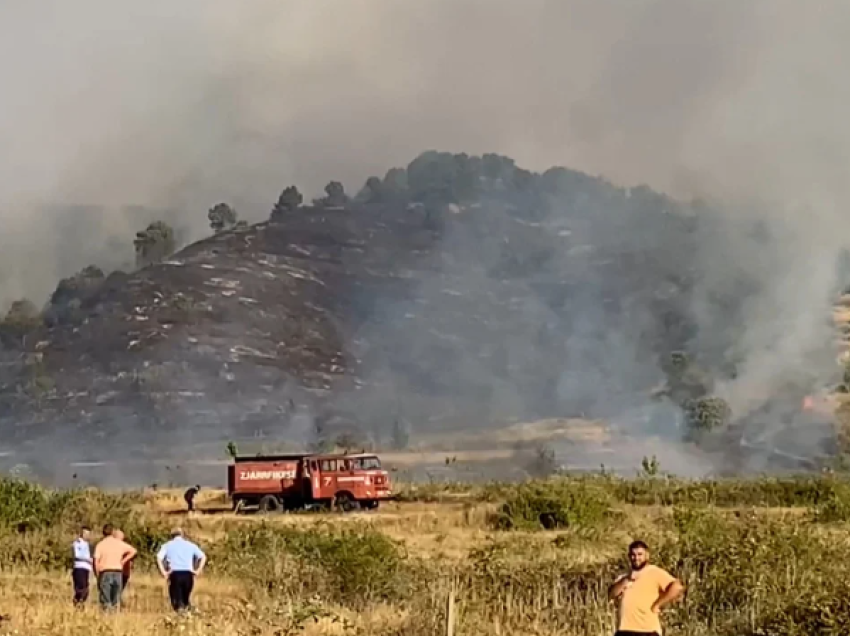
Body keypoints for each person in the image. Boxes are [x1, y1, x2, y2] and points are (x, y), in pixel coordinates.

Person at [607, 540, 684, 636]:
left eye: (640, 554)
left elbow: (677, 587)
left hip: (647, 630)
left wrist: (658, 604)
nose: (636, 558)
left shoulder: (654, 572)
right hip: (624, 630)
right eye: (633, 555)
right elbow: (610, 594)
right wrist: (626, 580)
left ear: (647, 556)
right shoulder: (624, 576)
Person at [156, 527, 207, 613]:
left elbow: (159, 557)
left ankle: (181, 618)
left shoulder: (167, 545)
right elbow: (203, 557)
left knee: (177, 601)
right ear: (182, 535)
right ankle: (189, 617)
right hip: (188, 574)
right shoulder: (191, 545)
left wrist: (164, 572)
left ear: (171, 536)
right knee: (185, 600)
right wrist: (198, 570)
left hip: (175, 574)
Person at [93, 523, 137, 612]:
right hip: (118, 572)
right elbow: (133, 551)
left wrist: (98, 576)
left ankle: (107, 617)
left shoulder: (100, 545)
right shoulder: (119, 543)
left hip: (105, 572)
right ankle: (114, 617)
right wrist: (123, 561)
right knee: (115, 598)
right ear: (112, 532)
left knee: (106, 598)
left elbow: (96, 562)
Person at [71, 526, 92, 607]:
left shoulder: (88, 545)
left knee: (86, 588)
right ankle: (77, 602)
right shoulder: (77, 543)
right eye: (85, 533)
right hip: (79, 568)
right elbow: (77, 555)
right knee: (81, 588)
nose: (87, 535)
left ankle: (80, 603)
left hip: (87, 568)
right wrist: (88, 559)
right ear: (81, 533)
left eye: (88, 534)